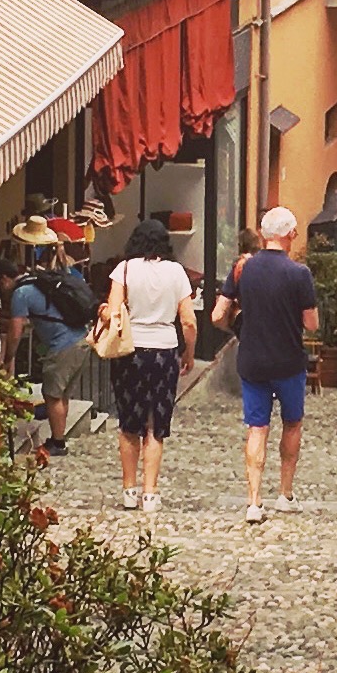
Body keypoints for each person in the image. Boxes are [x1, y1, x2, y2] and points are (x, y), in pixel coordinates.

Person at [212, 206, 317, 524]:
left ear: (262, 234)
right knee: (292, 423)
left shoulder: (243, 268)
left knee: (257, 428)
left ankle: (254, 501)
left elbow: (217, 315)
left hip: (252, 360)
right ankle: (285, 494)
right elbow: (311, 323)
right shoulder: (300, 274)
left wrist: (240, 324)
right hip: (288, 362)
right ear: (291, 235)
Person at [104, 220, 198, 513]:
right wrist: (189, 352)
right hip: (165, 350)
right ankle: (150, 493)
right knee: (155, 423)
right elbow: (188, 320)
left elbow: (113, 311)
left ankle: (129, 489)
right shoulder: (177, 272)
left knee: (128, 421)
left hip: (129, 351)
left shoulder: (125, 269)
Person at [5, 232, 90, 450]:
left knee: (52, 395)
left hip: (63, 345)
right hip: (82, 338)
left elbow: (15, 332)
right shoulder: (42, 283)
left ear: (5, 278)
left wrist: (9, 357)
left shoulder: (20, 294)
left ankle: (58, 443)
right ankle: (58, 436)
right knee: (62, 395)